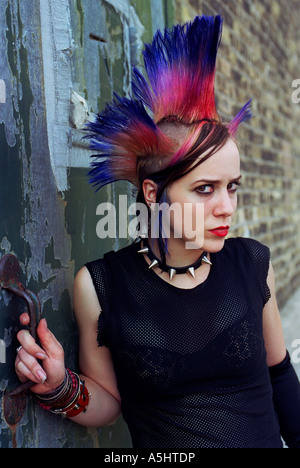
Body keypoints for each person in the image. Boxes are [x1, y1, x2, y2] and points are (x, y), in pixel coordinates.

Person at [15, 15, 300, 448]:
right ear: (153, 192)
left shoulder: (252, 263)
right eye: (205, 189)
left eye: (232, 187)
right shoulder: (102, 287)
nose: (227, 206)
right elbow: (110, 403)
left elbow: (279, 373)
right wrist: (59, 386)